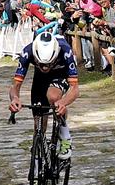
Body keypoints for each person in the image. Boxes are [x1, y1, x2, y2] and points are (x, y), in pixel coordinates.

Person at [8, 28, 80, 161]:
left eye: (49, 64)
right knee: (39, 124)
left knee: (54, 97)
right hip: (40, 79)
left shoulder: (65, 51)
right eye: (41, 64)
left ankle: (65, 136)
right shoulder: (27, 52)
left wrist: (63, 103)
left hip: (60, 75)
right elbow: (15, 86)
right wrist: (15, 98)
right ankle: (38, 157)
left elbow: (75, 89)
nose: (46, 67)